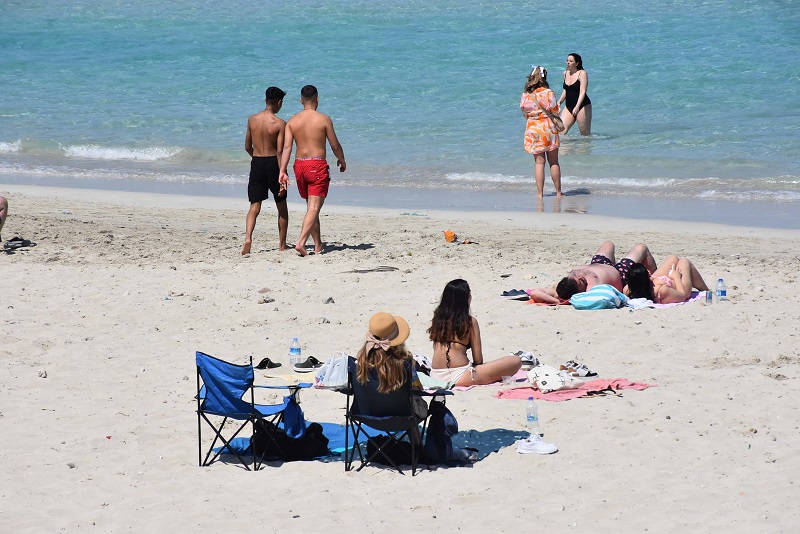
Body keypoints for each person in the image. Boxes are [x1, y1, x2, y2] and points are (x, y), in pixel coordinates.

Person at [279, 85, 346, 256]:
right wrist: (342, 159)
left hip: (299, 166)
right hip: (317, 165)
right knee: (314, 207)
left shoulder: (292, 121)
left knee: (311, 207)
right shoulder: (324, 119)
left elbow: (287, 148)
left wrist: (282, 170)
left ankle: (317, 245)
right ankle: (301, 242)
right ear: (317, 99)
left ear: (301, 100)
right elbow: (335, 144)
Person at [428, 279, 522, 387]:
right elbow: (478, 360)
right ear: (466, 299)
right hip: (460, 376)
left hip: (435, 375)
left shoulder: (438, 319)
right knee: (516, 361)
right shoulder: (469, 322)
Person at [528, 241, 658, 304]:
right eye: (581, 282)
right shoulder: (591, 292)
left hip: (600, 263)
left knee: (609, 244)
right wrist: (560, 303)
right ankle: (656, 282)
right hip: (620, 274)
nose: (580, 277)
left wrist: (556, 300)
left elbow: (534, 292)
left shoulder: (562, 287)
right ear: (580, 292)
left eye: (576, 277)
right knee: (642, 248)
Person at [241, 87, 289, 255]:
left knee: (254, 206)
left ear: (265, 100)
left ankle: (248, 237)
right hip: (273, 164)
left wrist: (256, 158)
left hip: (257, 162)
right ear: (279, 102)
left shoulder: (252, 120)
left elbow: (247, 146)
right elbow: (279, 151)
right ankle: (282, 245)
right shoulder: (280, 123)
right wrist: (283, 172)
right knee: (281, 206)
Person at [356, 311, 427, 417]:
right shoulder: (405, 364)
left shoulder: (360, 362)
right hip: (403, 415)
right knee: (422, 402)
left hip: (367, 415)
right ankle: (414, 433)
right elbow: (418, 388)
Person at [520, 66, 563, 198]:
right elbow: (556, 110)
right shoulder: (548, 93)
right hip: (548, 128)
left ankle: (540, 194)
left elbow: (524, 111)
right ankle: (558, 192)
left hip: (533, 129)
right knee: (554, 162)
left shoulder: (526, 95)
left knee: (539, 163)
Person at [624, 256, 710, 304]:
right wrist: (676, 277)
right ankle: (705, 290)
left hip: (656, 283)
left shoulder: (628, 289)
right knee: (684, 261)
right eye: (647, 272)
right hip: (680, 287)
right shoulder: (661, 291)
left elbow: (637, 281)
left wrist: (651, 278)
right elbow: (683, 295)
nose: (649, 271)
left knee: (673, 258)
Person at [557, 53, 592, 136]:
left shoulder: (582, 73)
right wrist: (559, 102)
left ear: (577, 63)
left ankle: (584, 149)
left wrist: (577, 106)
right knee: (561, 132)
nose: (568, 63)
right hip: (569, 105)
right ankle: (566, 148)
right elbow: (566, 90)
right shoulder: (565, 73)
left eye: (571, 61)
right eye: (567, 60)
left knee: (584, 135)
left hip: (582, 106)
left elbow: (583, 91)